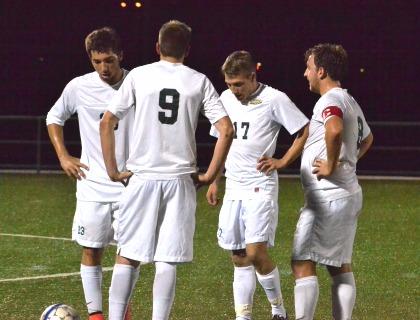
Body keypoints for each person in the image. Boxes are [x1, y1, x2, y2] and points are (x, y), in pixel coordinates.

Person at [99, 20, 234, 320]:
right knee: (167, 259)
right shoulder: (198, 81)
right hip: (179, 180)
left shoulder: (139, 76)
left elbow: (107, 122)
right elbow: (226, 130)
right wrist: (210, 174)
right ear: (188, 49)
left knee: (128, 254)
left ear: (157, 47)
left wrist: (112, 170)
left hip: (142, 176)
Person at [206, 51, 309, 320]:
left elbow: (303, 130)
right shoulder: (225, 99)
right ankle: (244, 316)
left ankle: (278, 309)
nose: (233, 89)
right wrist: (215, 180)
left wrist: (283, 160)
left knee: (255, 252)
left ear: (253, 76)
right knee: (239, 256)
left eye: (238, 84)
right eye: (229, 84)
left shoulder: (275, 99)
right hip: (233, 188)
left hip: (260, 187)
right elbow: (221, 142)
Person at [46, 27, 134, 320]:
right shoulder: (79, 86)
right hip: (92, 185)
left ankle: (121, 313)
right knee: (91, 250)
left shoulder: (138, 84)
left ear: (121, 55)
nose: (103, 68)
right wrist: (63, 156)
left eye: (109, 60)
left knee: (129, 254)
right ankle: (96, 316)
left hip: (131, 186)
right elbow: (54, 117)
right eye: (96, 62)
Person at [291, 43, 374, 320]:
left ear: (321, 70)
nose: (306, 74)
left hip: (328, 198)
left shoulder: (329, 100)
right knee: (339, 265)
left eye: (309, 68)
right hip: (346, 193)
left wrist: (330, 164)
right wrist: (347, 162)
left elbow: (335, 129)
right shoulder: (349, 98)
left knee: (302, 261)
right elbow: (368, 139)